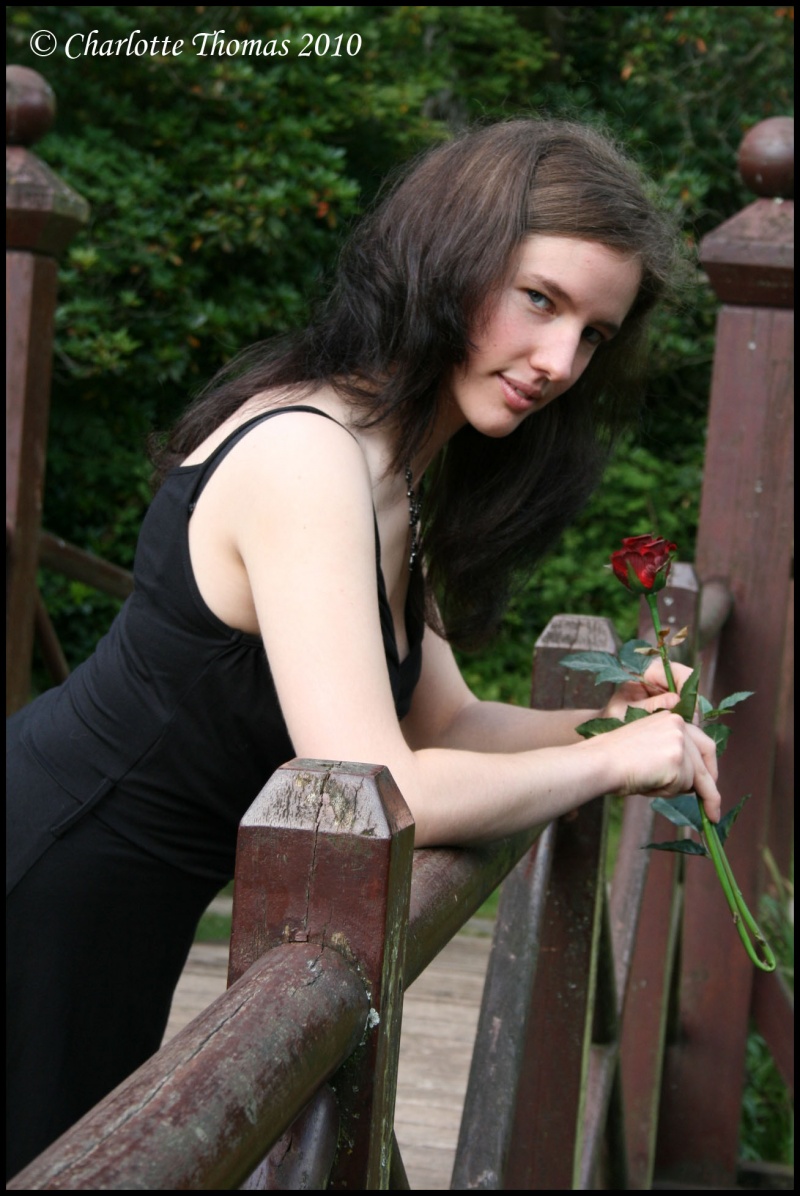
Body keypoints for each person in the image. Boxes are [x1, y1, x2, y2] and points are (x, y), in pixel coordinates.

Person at [6, 118, 721, 1178]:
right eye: (539, 299)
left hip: (120, 904)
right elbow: (387, 783)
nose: (561, 361)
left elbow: (449, 725)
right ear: (450, 257)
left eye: (594, 335)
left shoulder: (388, 472)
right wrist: (615, 761)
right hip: (48, 876)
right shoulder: (308, 458)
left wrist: (624, 720)